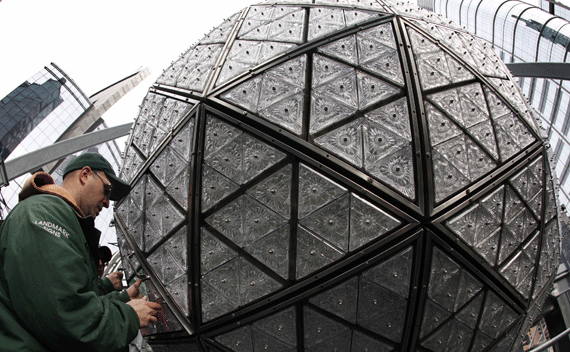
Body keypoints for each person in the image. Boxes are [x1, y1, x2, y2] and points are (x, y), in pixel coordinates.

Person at [0, 152, 161, 351]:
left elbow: (81, 297)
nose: (107, 202)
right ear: (85, 175)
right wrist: (128, 317)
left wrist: (124, 297)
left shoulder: (64, 221)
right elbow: (64, 315)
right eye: (107, 189)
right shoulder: (43, 213)